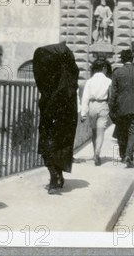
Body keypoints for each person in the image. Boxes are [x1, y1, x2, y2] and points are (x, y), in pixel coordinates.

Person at [33, 42, 80, 194]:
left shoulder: (52, 75)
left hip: (53, 110)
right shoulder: (68, 79)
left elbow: (42, 82)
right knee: (60, 143)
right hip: (65, 111)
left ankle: (55, 176)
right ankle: (57, 176)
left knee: (49, 142)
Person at [80, 60, 112, 166]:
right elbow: (111, 97)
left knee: (94, 132)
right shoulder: (108, 81)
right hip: (103, 105)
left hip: (92, 105)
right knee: (101, 131)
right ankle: (97, 153)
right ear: (103, 68)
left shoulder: (89, 81)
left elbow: (85, 98)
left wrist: (83, 113)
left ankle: (95, 153)